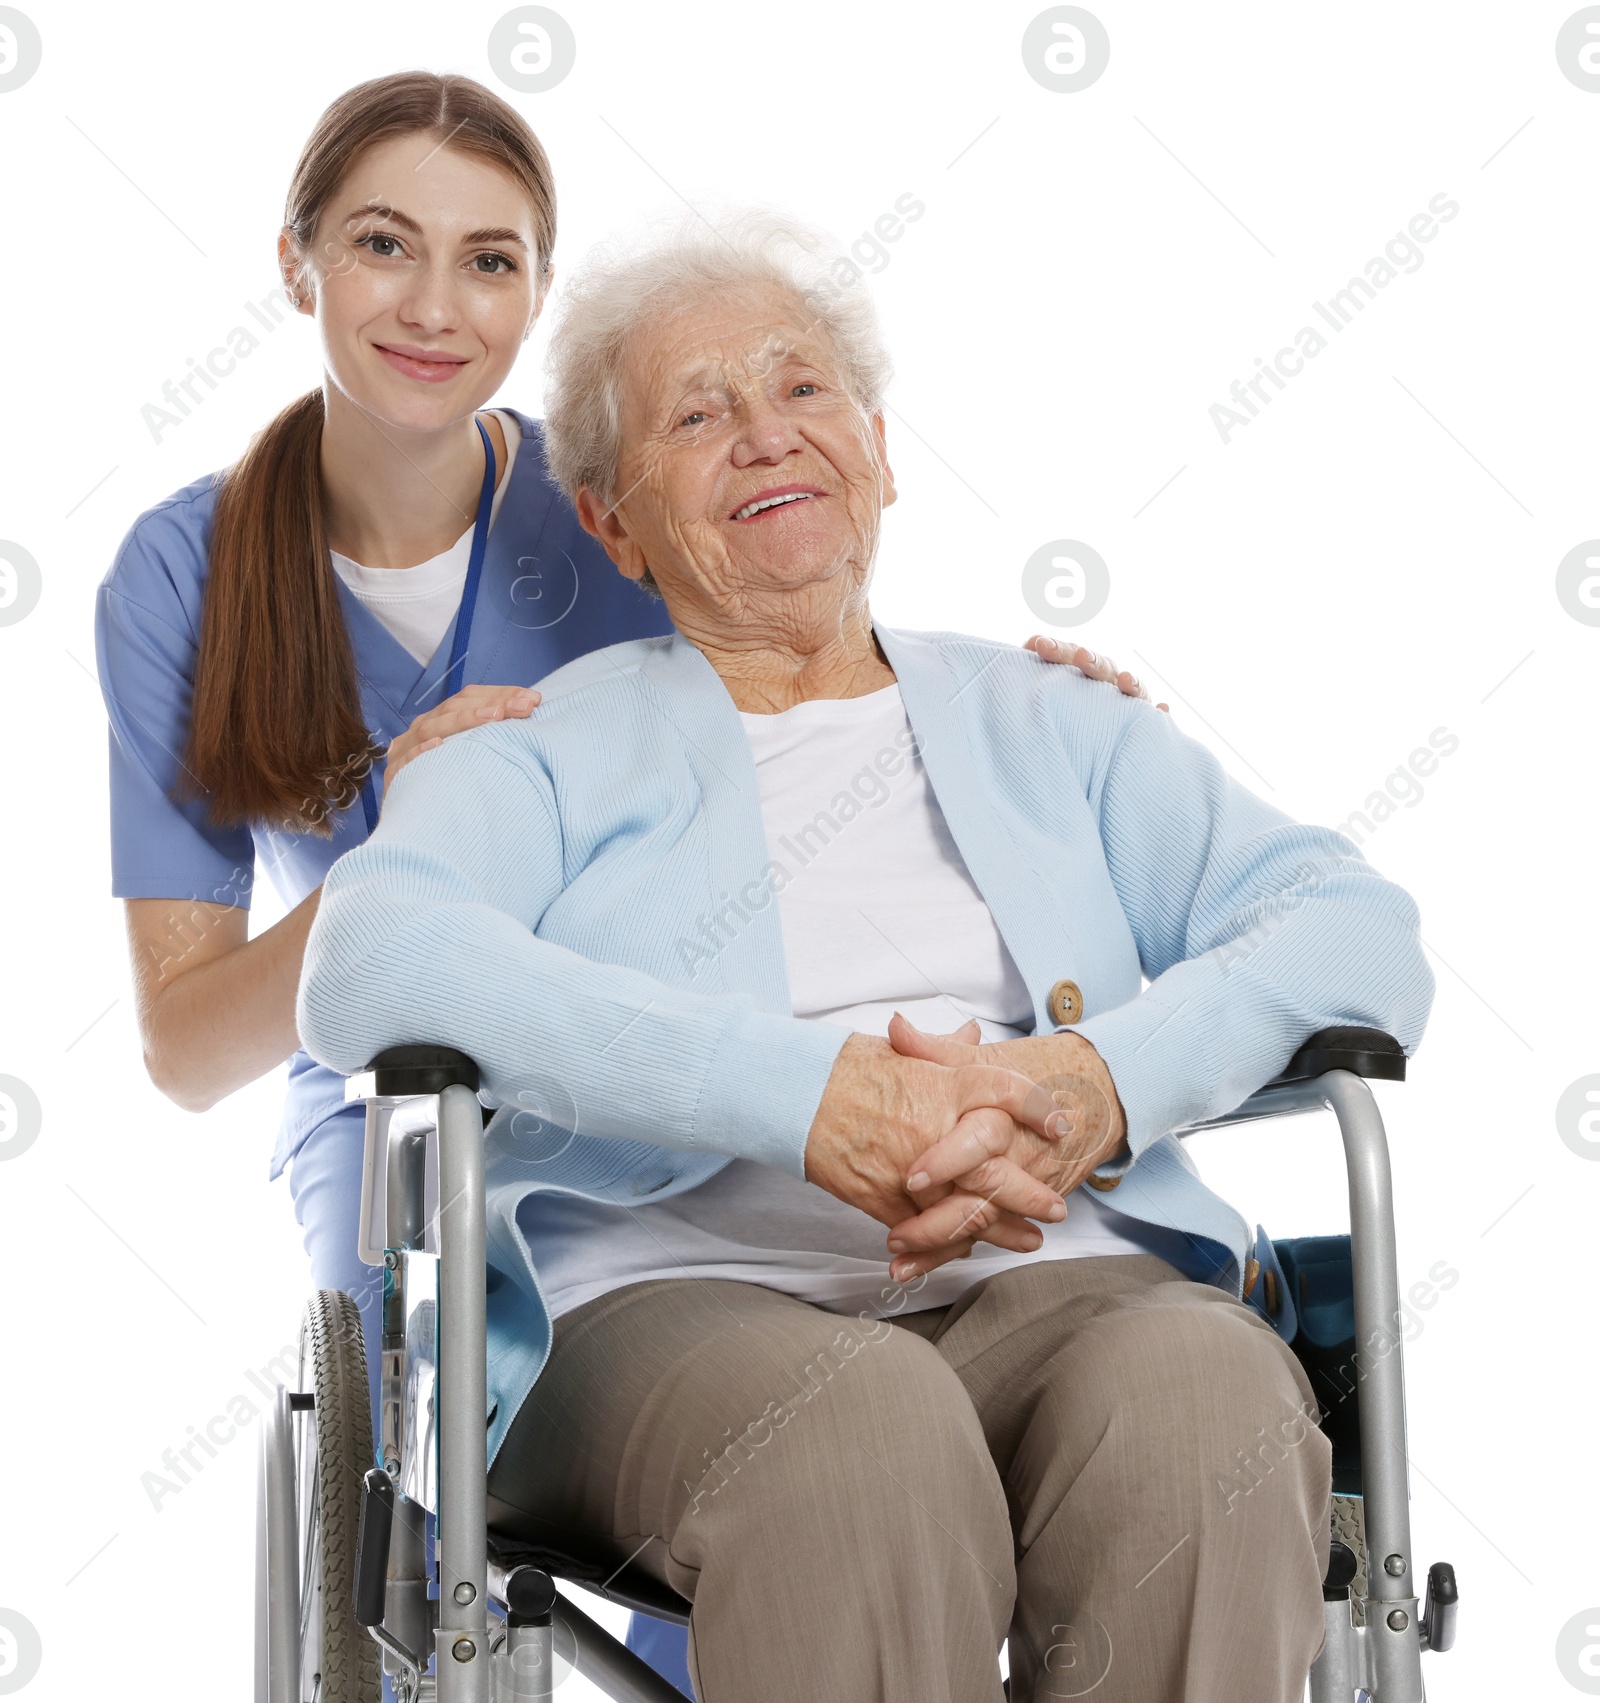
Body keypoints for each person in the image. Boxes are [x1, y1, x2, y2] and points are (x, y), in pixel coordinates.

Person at [298, 211, 1434, 1702]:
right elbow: (369, 964)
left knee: (1214, 1401)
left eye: (804, 391)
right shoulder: (543, 750)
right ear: (612, 521)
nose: (767, 438)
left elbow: (1358, 930)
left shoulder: (1058, 721)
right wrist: (807, 1096)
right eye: (698, 415)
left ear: (883, 453)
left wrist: (1100, 1081)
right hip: (667, 1302)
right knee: (857, 1429)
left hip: (1064, 1274)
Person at [93, 72, 1137, 1694]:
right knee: (678, 1390)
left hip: (689, 1055)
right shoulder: (187, 571)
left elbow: (827, 689)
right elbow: (182, 1048)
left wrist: (1044, 729)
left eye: (492, 261)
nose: (436, 307)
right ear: (297, 263)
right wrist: (407, 855)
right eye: (384, 246)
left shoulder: (612, 507)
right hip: (400, 1109)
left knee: (829, 1382)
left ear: (536, 292)